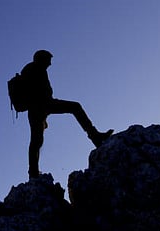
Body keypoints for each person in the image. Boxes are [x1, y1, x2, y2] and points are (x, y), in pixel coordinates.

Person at [21, 49, 113, 180]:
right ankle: (95, 137)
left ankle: (33, 172)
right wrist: (43, 110)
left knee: (37, 141)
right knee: (75, 107)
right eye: (48, 60)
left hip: (41, 108)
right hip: (42, 106)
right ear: (42, 59)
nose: (50, 64)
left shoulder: (33, 69)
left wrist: (44, 115)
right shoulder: (35, 69)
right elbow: (38, 93)